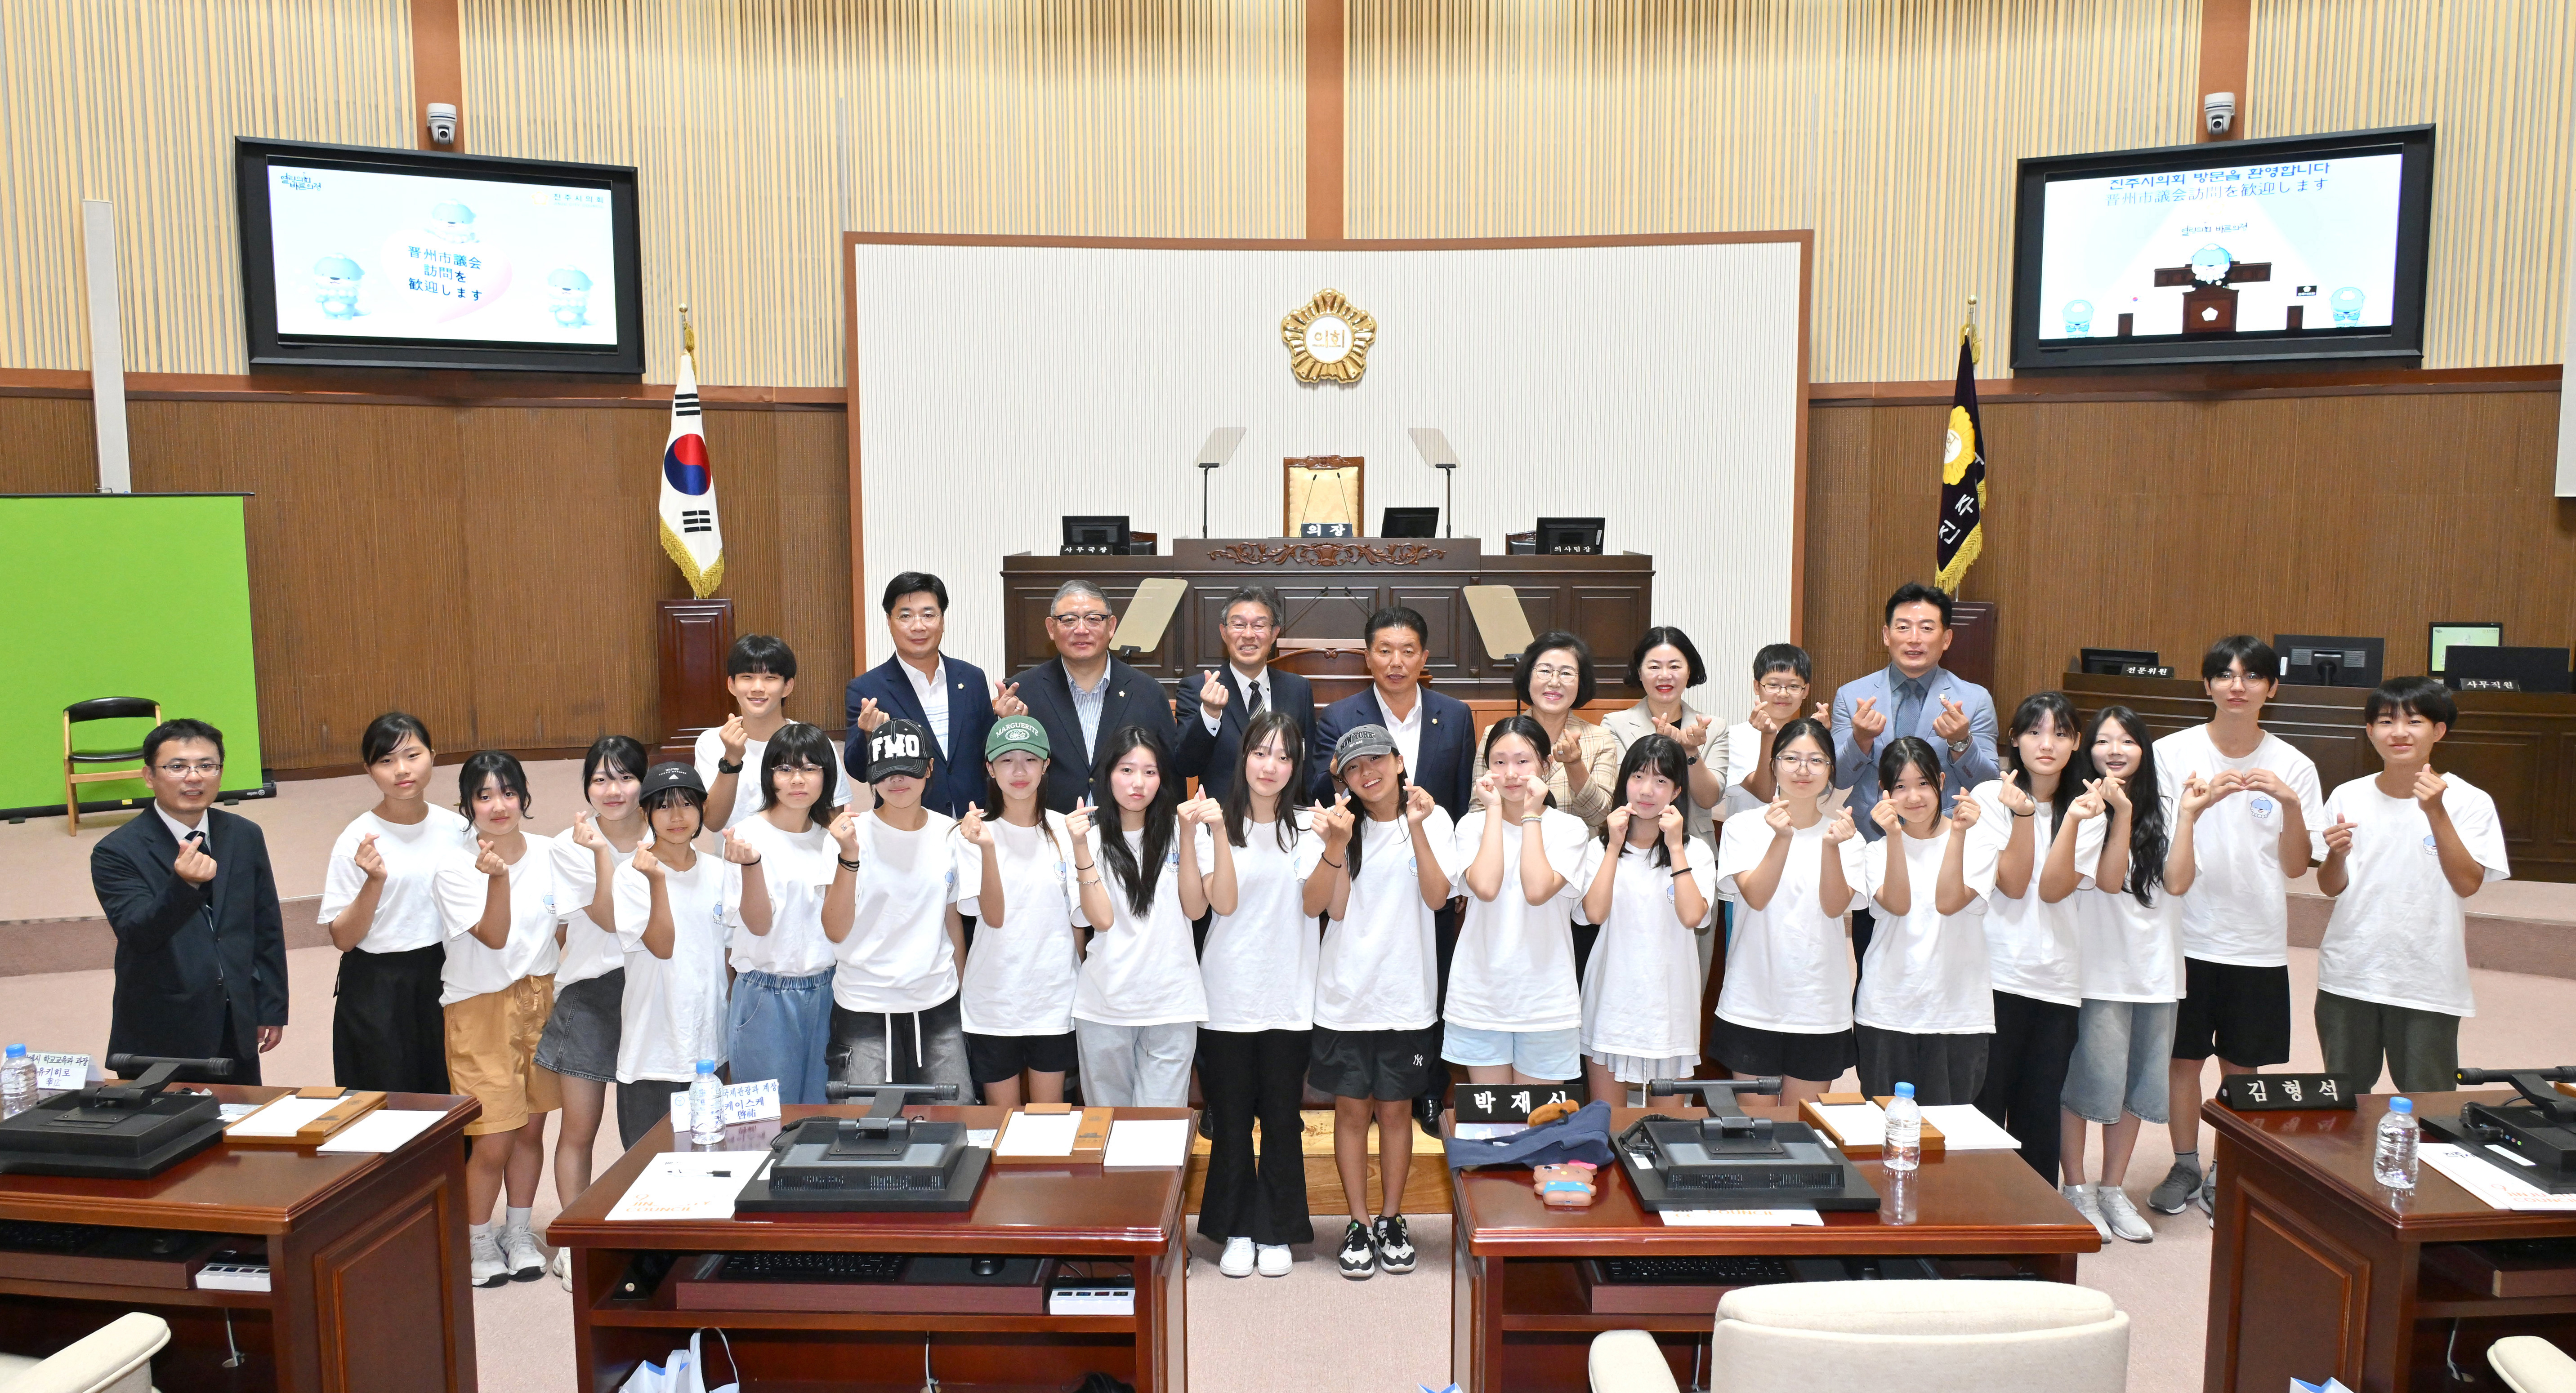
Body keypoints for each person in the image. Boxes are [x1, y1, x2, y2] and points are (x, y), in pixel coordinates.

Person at [2148, 636, 2325, 1219]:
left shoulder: (2294, 765)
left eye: (2251, 676)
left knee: (2241, 1065)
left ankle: (2231, 1163)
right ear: (2207, 685)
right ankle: (2183, 1162)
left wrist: (2292, 805)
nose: (2237, 685)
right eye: (2224, 674)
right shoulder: (2171, 753)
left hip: (2255, 939)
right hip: (2183, 936)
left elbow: (2298, 866)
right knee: (2181, 1060)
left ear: (2270, 688)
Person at [2044, 706, 2214, 1246]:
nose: (2114, 750)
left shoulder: (2166, 807)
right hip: (2097, 974)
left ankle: (2112, 1187)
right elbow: (2111, 880)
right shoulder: (2082, 809)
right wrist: (2116, 815)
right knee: (2084, 1088)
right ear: (2085, 750)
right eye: (2102, 741)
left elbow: (2180, 882)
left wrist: (2187, 816)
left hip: (2159, 975)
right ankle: (2076, 1187)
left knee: (2135, 1091)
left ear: (2144, 750)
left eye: (2126, 741)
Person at [1308, 724, 1466, 1281]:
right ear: (1342, 779)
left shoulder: (1434, 819)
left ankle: (1391, 1219)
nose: (1366, 773)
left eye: (1376, 760)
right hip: (1346, 995)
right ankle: (1356, 1222)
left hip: (1408, 996)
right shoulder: (1334, 827)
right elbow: (1329, 910)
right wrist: (1333, 842)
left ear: (1399, 762)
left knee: (1398, 1111)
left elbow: (1436, 896)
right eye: (1353, 767)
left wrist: (1417, 829)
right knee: (1351, 1111)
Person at [1308, 605, 1474, 1135]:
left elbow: (1461, 799)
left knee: (1432, 980)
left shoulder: (1454, 712)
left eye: (1408, 651)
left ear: (1424, 658)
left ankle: (1427, 1090)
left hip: (1429, 865)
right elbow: (1322, 791)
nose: (1396, 662)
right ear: (1367, 657)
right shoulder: (1340, 716)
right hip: (1361, 867)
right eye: (1384, 651)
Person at [2314, 677, 2510, 1094]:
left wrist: (2435, 811)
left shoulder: (2468, 800)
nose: (2398, 732)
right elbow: (2330, 887)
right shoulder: (2348, 794)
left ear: (2438, 731)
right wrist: (2335, 855)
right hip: (2350, 971)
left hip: (2427, 975)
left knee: (2429, 1104)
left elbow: (2467, 883)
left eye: (2414, 721)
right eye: (2386, 721)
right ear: (2369, 732)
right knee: (2341, 1100)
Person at [1196, 711, 1326, 1278]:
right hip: (1225, 994)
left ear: (1296, 768)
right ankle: (1237, 1229)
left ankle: (1275, 1230)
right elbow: (1213, 905)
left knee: (1280, 1119)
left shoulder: (1308, 827)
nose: (1269, 766)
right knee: (1228, 1120)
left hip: (1288, 996)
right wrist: (1218, 833)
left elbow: (1316, 906)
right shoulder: (1212, 825)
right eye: (1260, 752)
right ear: (1242, 757)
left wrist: (1335, 845)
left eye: (1283, 756)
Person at [91, 718, 287, 1083]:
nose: (194, 777)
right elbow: (138, 933)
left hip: (234, 1019)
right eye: (177, 767)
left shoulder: (244, 835)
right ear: (149, 776)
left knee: (238, 1126)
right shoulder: (116, 851)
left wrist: (270, 1005)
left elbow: (265, 923)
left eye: (206, 766)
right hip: (160, 1027)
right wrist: (183, 885)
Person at [432, 752, 562, 1288]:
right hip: (480, 1006)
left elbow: (566, 924)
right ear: (467, 806)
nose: (498, 805)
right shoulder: (453, 865)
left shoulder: (553, 851)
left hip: (541, 999)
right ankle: (476, 1237)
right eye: (484, 796)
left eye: (508, 793)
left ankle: (517, 1229)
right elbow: (493, 935)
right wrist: (499, 880)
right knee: (492, 1136)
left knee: (531, 1126)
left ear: (524, 797)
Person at [1831, 583, 2001, 976]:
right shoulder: (1852, 695)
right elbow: (1837, 777)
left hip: (1945, 860)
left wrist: (1961, 742)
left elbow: (1991, 786)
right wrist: (1859, 739)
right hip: (1876, 852)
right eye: (1903, 627)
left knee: (1943, 966)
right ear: (1886, 635)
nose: (1914, 638)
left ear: (1947, 638)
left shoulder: (1973, 699)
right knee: (1873, 965)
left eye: (1926, 628)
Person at [1969, 694, 2103, 1184]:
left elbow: (2051, 889)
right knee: (1983, 1106)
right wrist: (2023, 817)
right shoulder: (1989, 797)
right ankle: (1975, 1229)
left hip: (2056, 982)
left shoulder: (2088, 809)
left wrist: (2066, 820)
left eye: (2061, 733)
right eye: (2034, 732)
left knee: (2039, 1112)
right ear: (2014, 739)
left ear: (2075, 744)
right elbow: (2009, 881)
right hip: (1991, 976)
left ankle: (2034, 1238)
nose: (2046, 744)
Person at [537, 734, 647, 1286]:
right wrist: (602, 853)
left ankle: (644, 1232)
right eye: (600, 779)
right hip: (589, 994)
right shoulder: (569, 845)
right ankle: (574, 1239)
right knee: (579, 1128)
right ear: (586, 788)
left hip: (653, 992)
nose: (613, 790)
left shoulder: (666, 833)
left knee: (648, 1128)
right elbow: (607, 919)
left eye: (625, 777)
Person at [1713, 717, 1865, 1107]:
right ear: (1774, 765)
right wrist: (1782, 837)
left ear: (1830, 770)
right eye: (1792, 758)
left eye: (1816, 760)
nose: (1803, 769)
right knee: (1754, 1131)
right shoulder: (1743, 826)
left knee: (1803, 1133)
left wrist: (1830, 847)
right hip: (1752, 999)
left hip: (1818, 1004)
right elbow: (1757, 896)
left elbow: (1834, 907)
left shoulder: (1846, 834)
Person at [323, 712, 470, 1095]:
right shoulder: (356, 838)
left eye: (412, 755)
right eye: (386, 761)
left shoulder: (457, 829)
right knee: (386, 1102)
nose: (402, 770)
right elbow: (342, 938)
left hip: (444, 973)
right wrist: (374, 882)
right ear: (369, 770)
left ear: (433, 757)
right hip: (377, 984)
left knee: (449, 1096)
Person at [1068, 727, 1213, 1106]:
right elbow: (1098, 919)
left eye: (1150, 772)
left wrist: (1185, 835)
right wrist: (1081, 847)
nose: (1138, 783)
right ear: (1108, 775)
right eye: (1127, 770)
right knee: (1106, 1130)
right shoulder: (1088, 838)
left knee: (1161, 1137)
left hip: (1171, 1001)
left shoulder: (1185, 834)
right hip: (1104, 1004)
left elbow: (1196, 909)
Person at [825, 719, 970, 1093]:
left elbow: (951, 919)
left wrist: (962, 985)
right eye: (887, 772)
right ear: (873, 777)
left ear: (928, 768)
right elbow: (835, 929)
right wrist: (849, 857)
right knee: (862, 1137)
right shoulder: (849, 834)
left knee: (950, 1129)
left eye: (908, 769)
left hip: (937, 1001)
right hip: (863, 1004)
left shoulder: (949, 832)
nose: (898, 780)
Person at [612, 764, 753, 1148]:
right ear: (646, 814)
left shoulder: (721, 871)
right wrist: (657, 880)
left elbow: (730, 956)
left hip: (711, 1048)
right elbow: (662, 945)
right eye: (664, 806)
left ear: (702, 811)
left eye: (687, 804)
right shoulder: (631, 875)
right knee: (649, 1168)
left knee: (713, 1162)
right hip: (652, 1051)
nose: (677, 817)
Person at [1446, 717, 1590, 1088]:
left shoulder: (1569, 829)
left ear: (1546, 764)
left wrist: (1530, 814)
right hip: (1481, 996)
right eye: (1499, 762)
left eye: (1523, 761)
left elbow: (1537, 889)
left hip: (1545, 1000)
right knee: (1490, 1128)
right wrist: (1492, 811)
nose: (1510, 773)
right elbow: (1486, 886)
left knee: (1539, 1129)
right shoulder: (1470, 826)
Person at [1854, 738, 1997, 1103]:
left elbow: (1948, 902)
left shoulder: (1978, 842)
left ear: (1942, 782)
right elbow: (1898, 905)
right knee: (1883, 1129)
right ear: (1884, 794)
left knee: (1950, 1139)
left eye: (1923, 783)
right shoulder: (1874, 850)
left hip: (1956, 1012)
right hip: (1886, 1008)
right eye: (1900, 787)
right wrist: (1894, 837)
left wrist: (1959, 834)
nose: (1913, 796)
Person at [1576, 734, 1716, 1104]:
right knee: (1606, 1124)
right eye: (1638, 776)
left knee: (1669, 1132)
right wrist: (1613, 846)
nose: (1647, 790)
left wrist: (1674, 847)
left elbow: (1692, 916)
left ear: (1675, 791)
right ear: (1625, 782)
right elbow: (1594, 913)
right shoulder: (1599, 847)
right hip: (1611, 1001)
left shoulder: (1694, 851)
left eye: (1660, 781)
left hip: (1669, 1007)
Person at [955, 716, 1086, 1110]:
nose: (1018, 770)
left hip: (1053, 997)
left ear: (1046, 765)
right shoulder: (971, 835)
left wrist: (1076, 980)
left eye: (1029, 759)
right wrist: (988, 848)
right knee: (1000, 1129)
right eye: (1006, 760)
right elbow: (992, 916)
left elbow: (1078, 922)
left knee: (1049, 1126)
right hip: (994, 999)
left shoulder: (1069, 831)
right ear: (990, 769)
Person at [726, 722, 854, 1106]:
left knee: (822, 1121)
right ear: (769, 776)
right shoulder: (746, 836)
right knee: (766, 1126)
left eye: (810, 768)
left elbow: (839, 927)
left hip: (827, 990)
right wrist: (752, 866)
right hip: (766, 994)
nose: (798, 779)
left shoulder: (830, 838)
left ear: (826, 776)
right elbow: (759, 924)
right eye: (785, 769)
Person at [1599, 625, 1731, 985]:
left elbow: (1708, 797)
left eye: (1674, 665)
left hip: (1690, 855)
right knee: (1624, 958)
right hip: (1630, 852)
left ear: (1690, 671)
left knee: (1690, 967)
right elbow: (1618, 788)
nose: (1664, 675)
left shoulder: (1712, 726)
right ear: (1638, 671)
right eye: (1653, 665)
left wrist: (1690, 753)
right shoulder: (1614, 723)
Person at [1005, 580, 1182, 813]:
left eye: (1093, 619)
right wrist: (1006, 724)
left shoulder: (1148, 692)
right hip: (1051, 832)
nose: (1081, 630)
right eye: (1068, 620)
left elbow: (1170, 774)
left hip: (1127, 834)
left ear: (1111, 627)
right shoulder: (1024, 691)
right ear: (1051, 628)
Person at [844, 571, 1002, 818]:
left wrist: (1006, 721)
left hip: (975, 819)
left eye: (929, 615)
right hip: (906, 826)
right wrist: (867, 736)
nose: (918, 626)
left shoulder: (971, 678)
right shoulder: (867, 689)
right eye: (905, 616)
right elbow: (857, 771)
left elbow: (986, 753)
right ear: (889, 621)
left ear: (942, 620)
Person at [1176, 584, 1317, 803]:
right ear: (1224, 632)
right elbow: (1186, 765)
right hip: (1222, 820)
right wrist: (1210, 713)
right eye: (1239, 625)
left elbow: (1307, 768)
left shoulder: (1298, 689)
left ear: (1274, 634)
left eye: (1259, 625)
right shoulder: (1198, 689)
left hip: (1284, 821)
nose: (1249, 635)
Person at [699, 633, 853, 832]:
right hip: (733, 858)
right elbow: (712, 823)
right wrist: (731, 759)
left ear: (787, 686)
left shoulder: (815, 742)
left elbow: (831, 818)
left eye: (770, 678)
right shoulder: (711, 742)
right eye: (747, 677)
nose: (757, 688)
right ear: (731, 684)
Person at [1476, 633, 1621, 834]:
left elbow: (1601, 818)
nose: (1554, 682)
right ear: (1528, 676)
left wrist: (1575, 766)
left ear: (1582, 683)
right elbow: (1478, 809)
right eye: (1545, 671)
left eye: (1566, 674)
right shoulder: (1495, 736)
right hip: (1507, 855)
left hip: (1575, 857)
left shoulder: (1600, 739)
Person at [1724, 643, 1828, 815]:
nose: (1783, 694)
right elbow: (1765, 793)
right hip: (1749, 836)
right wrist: (1769, 736)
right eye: (1773, 685)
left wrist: (1822, 739)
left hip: (1799, 834)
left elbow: (1822, 790)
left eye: (1794, 686)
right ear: (1757, 687)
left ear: (1806, 691)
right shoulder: (1734, 737)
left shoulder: (1809, 737)